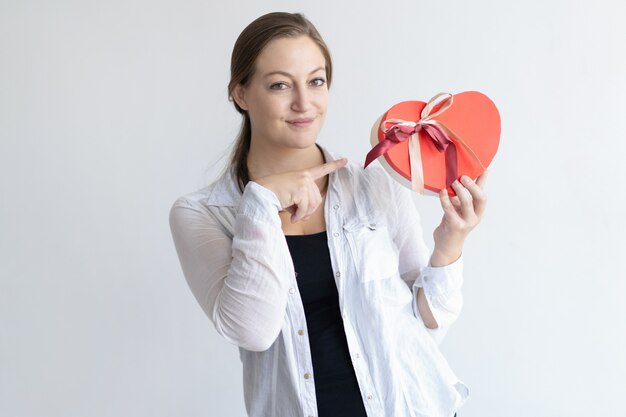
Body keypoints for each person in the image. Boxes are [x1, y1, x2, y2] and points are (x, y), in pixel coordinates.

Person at [169, 11, 487, 417]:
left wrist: (450, 244)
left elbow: (426, 327)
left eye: (316, 81)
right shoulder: (202, 214)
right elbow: (252, 330)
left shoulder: (375, 185)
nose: (304, 103)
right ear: (241, 94)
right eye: (280, 84)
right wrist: (261, 203)